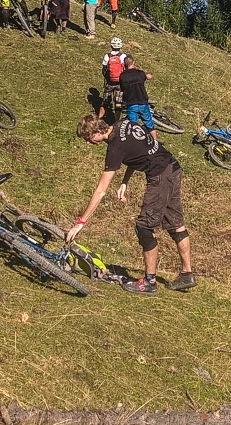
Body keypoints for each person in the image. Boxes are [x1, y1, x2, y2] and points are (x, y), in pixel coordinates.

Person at [68, 114, 196, 294]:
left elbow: (101, 191)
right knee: (176, 224)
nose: (89, 143)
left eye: (89, 138)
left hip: (160, 175)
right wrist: (125, 181)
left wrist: (80, 223)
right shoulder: (123, 123)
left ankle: (149, 282)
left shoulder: (114, 148)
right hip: (172, 167)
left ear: (97, 132)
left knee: (144, 227)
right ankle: (187, 274)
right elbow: (139, 150)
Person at [119, 57, 158, 138]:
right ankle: (155, 142)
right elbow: (146, 77)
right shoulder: (140, 74)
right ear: (133, 62)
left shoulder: (122, 76)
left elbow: (122, 89)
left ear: (124, 64)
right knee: (150, 125)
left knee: (133, 126)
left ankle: (135, 143)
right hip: (142, 102)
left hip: (131, 104)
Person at [99, 36, 130, 115]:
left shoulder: (107, 56)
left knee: (104, 102)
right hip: (120, 83)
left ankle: (99, 118)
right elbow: (126, 69)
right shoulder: (123, 56)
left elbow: (104, 69)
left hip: (109, 82)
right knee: (118, 103)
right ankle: (116, 122)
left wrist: (108, 78)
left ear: (111, 45)